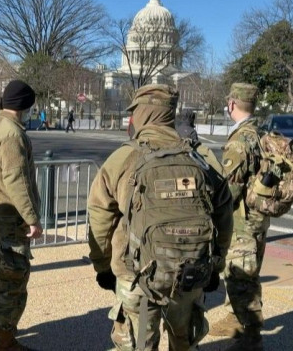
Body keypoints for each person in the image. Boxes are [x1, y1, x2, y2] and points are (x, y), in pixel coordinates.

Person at [88, 84, 233, 351]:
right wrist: (216, 266)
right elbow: (224, 215)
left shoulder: (123, 158)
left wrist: (102, 266)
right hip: (189, 278)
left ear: (141, 114)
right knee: (184, 342)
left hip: (139, 281)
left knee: (142, 343)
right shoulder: (201, 158)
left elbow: (99, 218)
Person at [0, 80, 43, 350]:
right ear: (25, 105)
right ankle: (6, 341)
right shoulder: (12, 134)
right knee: (13, 283)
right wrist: (32, 219)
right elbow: (17, 180)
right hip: (11, 219)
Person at [208, 82, 267, 350]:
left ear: (232, 104)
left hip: (243, 221)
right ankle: (237, 321)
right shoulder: (260, 132)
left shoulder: (240, 140)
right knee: (248, 274)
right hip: (258, 217)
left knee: (241, 278)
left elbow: (229, 190)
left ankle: (251, 339)